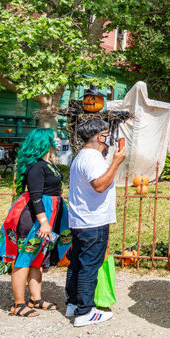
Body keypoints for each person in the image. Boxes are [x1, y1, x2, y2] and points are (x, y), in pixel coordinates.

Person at [0, 128, 70, 317]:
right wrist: (44, 222)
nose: (58, 139)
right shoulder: (37, 167)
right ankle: (18, 303)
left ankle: (35, 299)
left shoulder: (47, 164)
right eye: (54, 137)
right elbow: (36, 196)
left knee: (38, 258)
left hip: (48, 216)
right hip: (34, 219)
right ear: (44, 142)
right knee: (25, 258)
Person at [66, 119, 125, 326]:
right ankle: (85, 311)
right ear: (101, 137)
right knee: (89, 265)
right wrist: (116, 163)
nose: (110, 139)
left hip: (80, 219)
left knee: (77, 263)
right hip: (93, 220)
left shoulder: (81, 156)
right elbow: (99, 185)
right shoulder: (92, 158)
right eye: (107, 134)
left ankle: (73, 303)